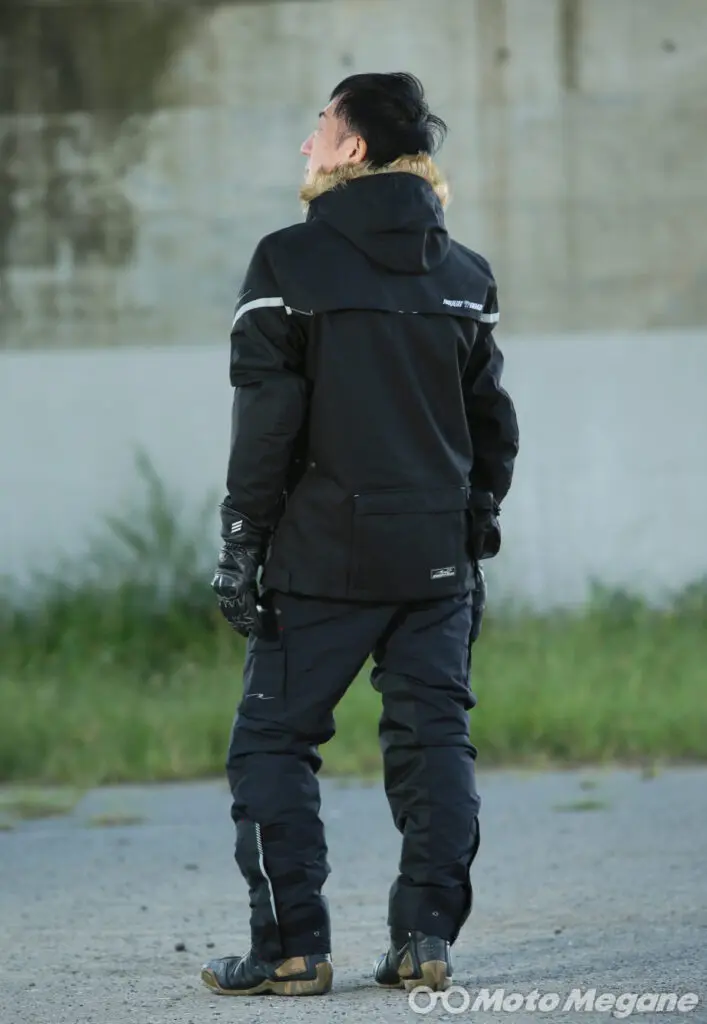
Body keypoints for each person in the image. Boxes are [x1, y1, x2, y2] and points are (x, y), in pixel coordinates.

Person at [201, 72, 519, 999]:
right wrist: (475, 527)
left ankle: (290, 949)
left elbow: (268, 421)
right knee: (434, 741)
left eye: (319, 127)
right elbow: (491, 424)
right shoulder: (464, 275)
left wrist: (240, 540)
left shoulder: (288, 262)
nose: (306, 144)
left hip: (320, 559)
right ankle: (424, 941)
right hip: (435, 558)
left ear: (354, 149)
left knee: (271, 743)